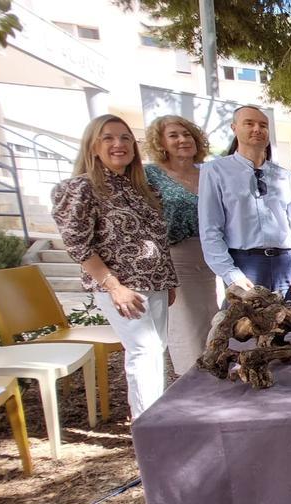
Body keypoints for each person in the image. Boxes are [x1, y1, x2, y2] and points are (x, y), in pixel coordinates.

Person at [52, 114, 177, 417]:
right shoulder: (80, 188)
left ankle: (152, 417)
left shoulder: (140, 188)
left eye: (125, 138)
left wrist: (169, 281)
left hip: (155, 283)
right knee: (143, 352)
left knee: (154, 352)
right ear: (93, 146)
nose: (118, 144)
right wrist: (115, 287)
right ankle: (148, 424)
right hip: (121, 286)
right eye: (108, 138)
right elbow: (79, 246)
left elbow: (157, 239)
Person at [198, 105, 291, 300]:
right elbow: (210, 229)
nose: (257, 129)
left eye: (263, 125)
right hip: (244, 263)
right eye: (249, 123)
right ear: (234, 128)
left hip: (285, 264)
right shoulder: (215, 171)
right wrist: (231, 273)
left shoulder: (284, 176)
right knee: (246, 327)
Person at [142, 114, 216, 377]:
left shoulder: (209, 172)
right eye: (173, 135)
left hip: (214, 256)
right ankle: (192, 385)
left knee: (215, 321)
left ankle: (215, 380)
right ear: (161, 142)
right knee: (188, 325)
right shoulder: (150, 175)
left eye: (186, 134)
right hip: (177, 256)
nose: (183, 140)